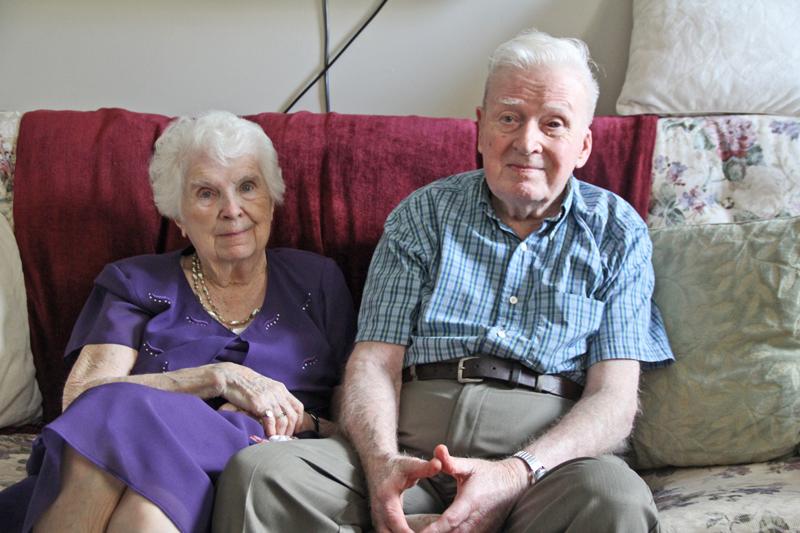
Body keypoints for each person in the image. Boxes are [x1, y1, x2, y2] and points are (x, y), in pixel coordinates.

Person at [212, 29, 674, 533]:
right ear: (480, 128)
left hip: (545, 474)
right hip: (412, 458)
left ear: (584, 143)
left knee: (615, 497)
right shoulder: (423, 215)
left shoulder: (616, 231)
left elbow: (615, 398)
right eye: (509, 117)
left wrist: (516, 473)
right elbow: (374, 361)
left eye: (554, 124)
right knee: (260, 474)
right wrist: (383, 465)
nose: (527, 142)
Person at [0, 111, 355, 533]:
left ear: (272, 199)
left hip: (252, 459)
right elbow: (84, 401)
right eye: (207, 193)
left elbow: (355, 421)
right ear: (179, 217)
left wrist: (302, 421)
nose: (232, 209)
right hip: (132, 469)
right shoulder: (134, 282)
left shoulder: (317, 281)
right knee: (134, 473)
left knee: (143, 491)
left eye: (247, 186)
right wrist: (217, 377)